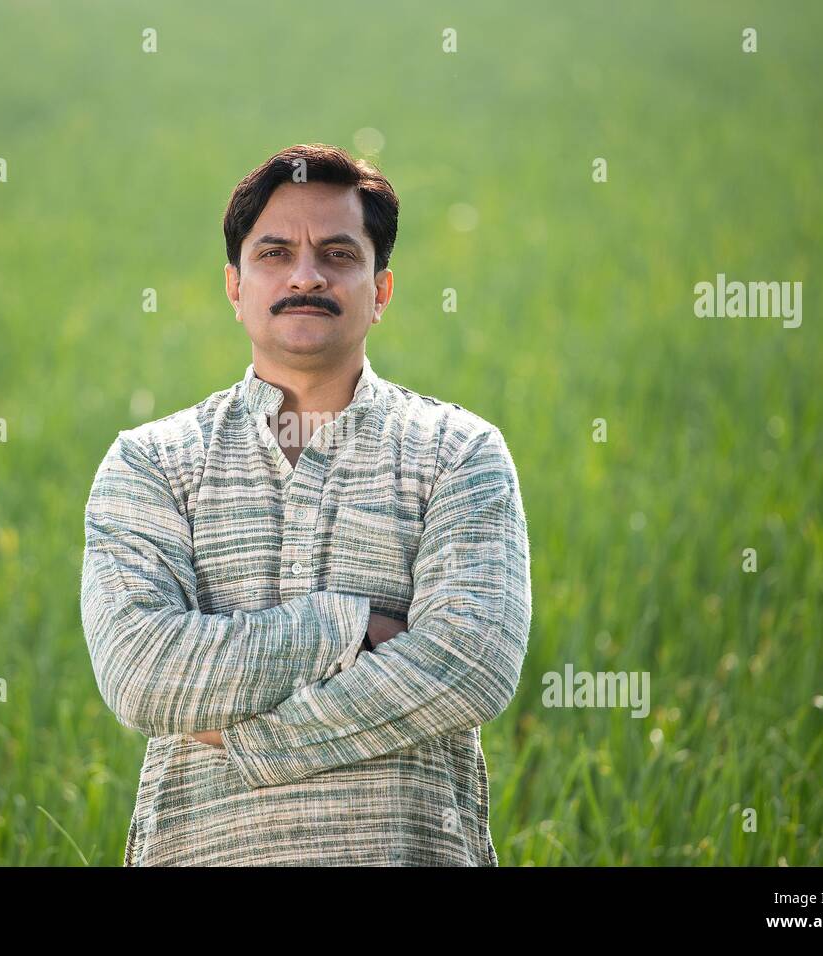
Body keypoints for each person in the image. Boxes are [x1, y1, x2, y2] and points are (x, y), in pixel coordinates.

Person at [80, 143, 533, 865]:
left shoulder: (458, 453)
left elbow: (469, 664)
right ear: (234, 287)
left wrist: (241, 736)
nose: (306, 275)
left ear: (380, 290)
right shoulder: (152, 463)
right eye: (274, 253)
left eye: (339, 254)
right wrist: (348, 626)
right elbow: (142, 671)